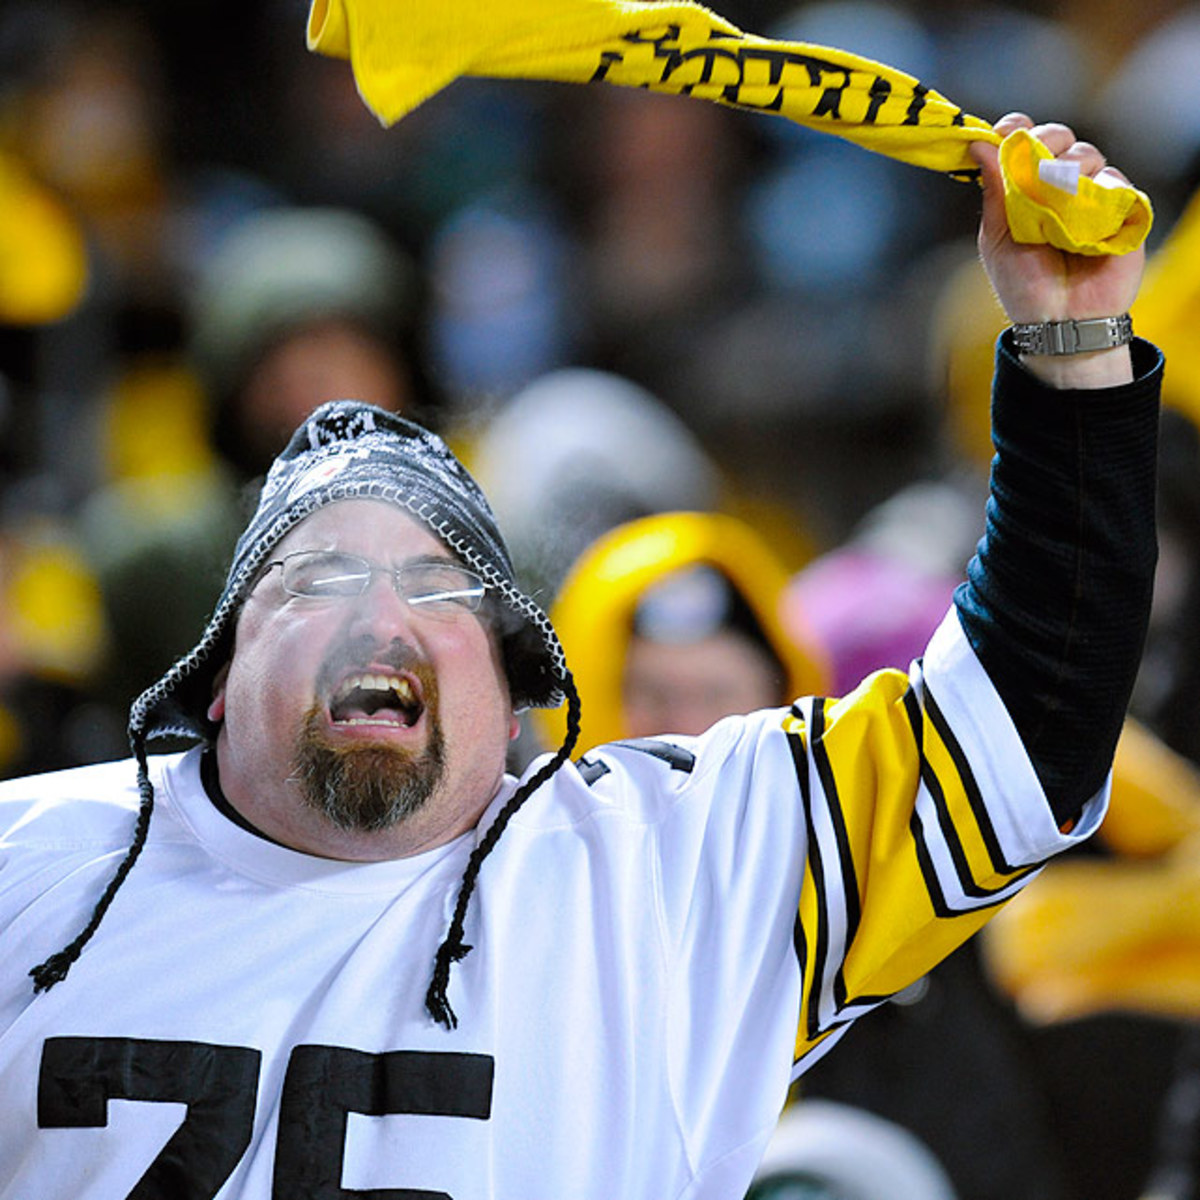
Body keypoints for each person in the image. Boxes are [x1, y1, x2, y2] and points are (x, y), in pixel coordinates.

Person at [0, 113, 1162, 1198]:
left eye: (440, 586)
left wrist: (1072, 351)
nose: (382, 614)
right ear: (212, 683)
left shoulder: (660, 876)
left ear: (514, 705)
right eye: (319, 580)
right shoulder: (31, 869)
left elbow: (1027, 721)